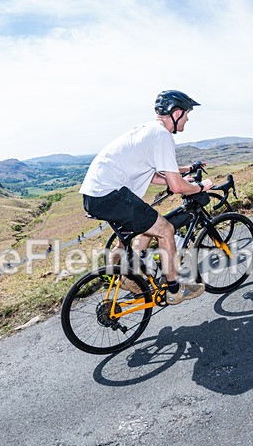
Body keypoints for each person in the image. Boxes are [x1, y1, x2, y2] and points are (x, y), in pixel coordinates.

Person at [80, 90, 212, 304]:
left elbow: (154, 175)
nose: (188, 119)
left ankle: (116, 274)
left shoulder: (148, 131)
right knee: (165, 229)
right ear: (177, 113)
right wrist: (199, 186)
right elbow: (177, 187)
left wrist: (185, 170)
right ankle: (174, 290)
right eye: (187, 114)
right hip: (111, 194)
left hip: (94, 195)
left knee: (143, 227)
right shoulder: (162, 136)